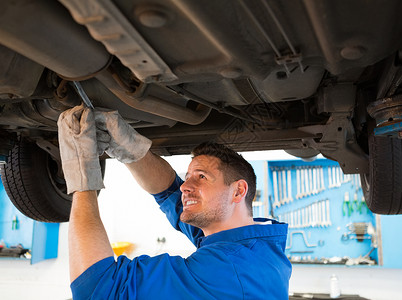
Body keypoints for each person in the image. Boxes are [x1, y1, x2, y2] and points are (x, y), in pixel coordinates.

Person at [57, 105, 292, 299]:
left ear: (238, 191)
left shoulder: (226, 270)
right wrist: (130, 148)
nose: (185, 186)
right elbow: (168, 192)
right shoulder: (252, 244)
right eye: (188, 176)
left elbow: (99, 288)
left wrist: (82, 175)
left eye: (202, 177)